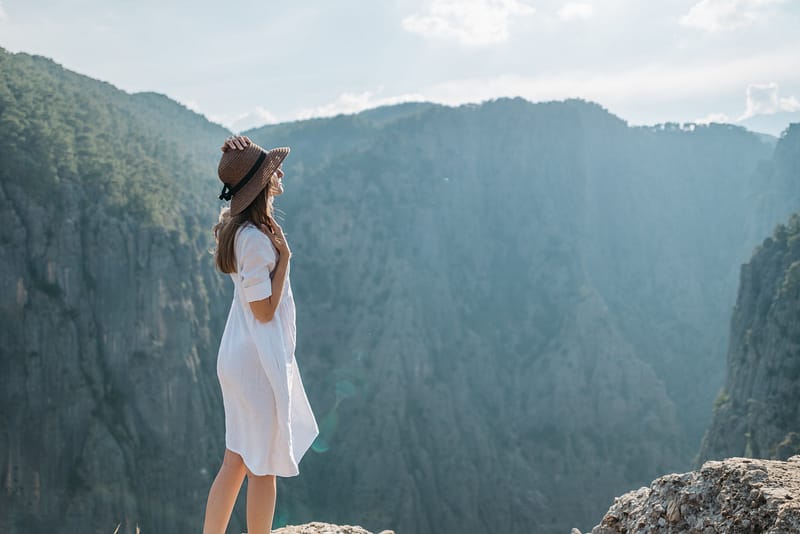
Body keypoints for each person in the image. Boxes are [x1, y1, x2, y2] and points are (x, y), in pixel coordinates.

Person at [202, 135, 319, 534]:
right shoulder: (253, 240)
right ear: (260, 184)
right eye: (272, 169)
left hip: (238, 355)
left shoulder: (240, 230)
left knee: (234, 460)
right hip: (255, 364)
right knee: (262, 467)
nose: (280, 173)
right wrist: (284, 260)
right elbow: (264, 312)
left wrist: (240, 159)